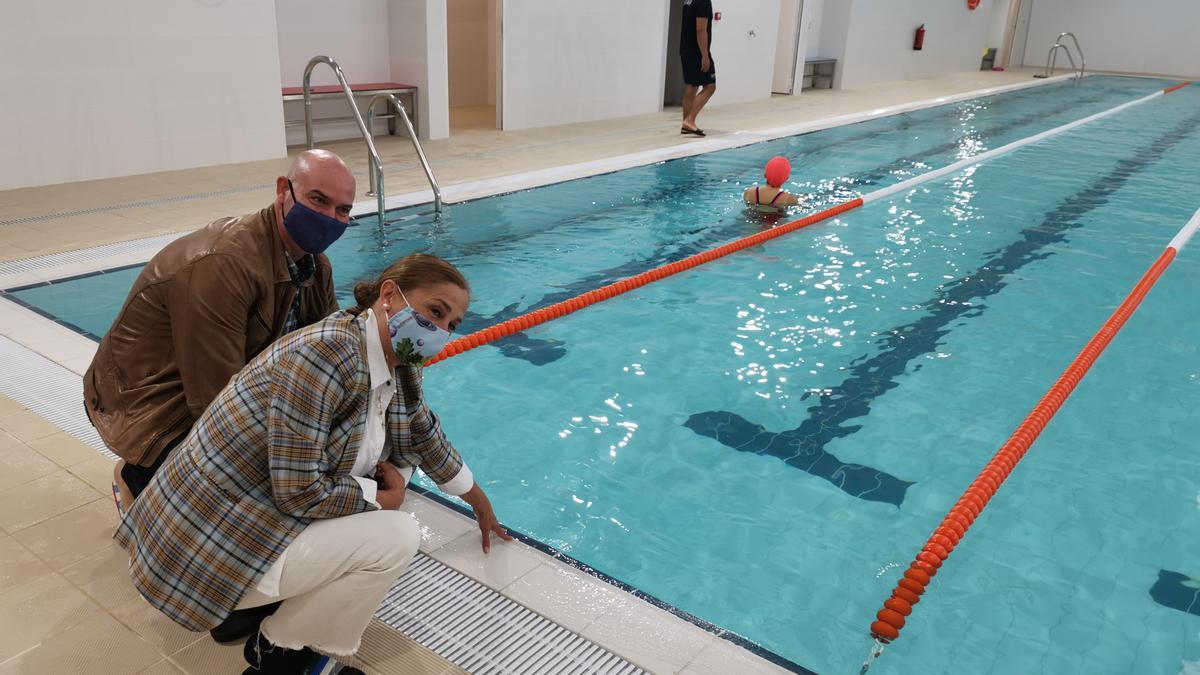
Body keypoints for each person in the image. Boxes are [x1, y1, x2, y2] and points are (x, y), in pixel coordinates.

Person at [114, 254, 513, 674]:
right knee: (396, 534)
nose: (441, 332)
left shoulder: (388, 355)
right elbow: (298, 491)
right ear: (390, 296)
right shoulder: (324, 355)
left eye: (452, 324)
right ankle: (281, 656)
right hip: (208, 544)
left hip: (249, 512)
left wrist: (477, 500)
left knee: (398, 469)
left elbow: (421, 431)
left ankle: (268, 625)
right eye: (435, 312)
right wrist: (381, 497)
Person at [84, 149, 354, 512]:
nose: (328, 218)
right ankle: (137, 475)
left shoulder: (314, 266)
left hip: (215, 383)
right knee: (253, 505)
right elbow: (214, 399)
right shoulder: (223, 265)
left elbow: (331, 359)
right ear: (282, 190)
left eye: (342, 210)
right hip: (148, 401)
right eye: (317, 199)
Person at [680, 0, 716, 137]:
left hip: (686, 50)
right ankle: (689, 120)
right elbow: (701, 29)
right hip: (697, 53)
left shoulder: (688, 1)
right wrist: (705, 55)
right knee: (710, 86)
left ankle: (686, 125)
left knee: (692, 86)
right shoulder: (703, 2)